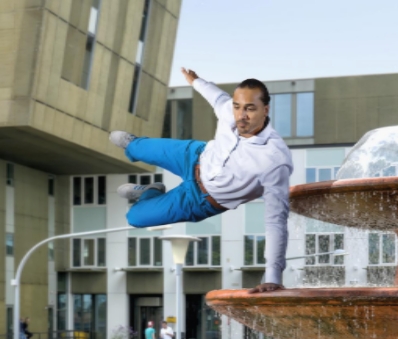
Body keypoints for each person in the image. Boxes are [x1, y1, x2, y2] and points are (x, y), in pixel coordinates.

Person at [109, 68, 293, 294]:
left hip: (200, 199)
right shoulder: (231, 111)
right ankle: (136, 147)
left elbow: (276, 221)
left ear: (265, 109)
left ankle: (148, 193)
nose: (240, 115)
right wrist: (196, 81)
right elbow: (218, 98)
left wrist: (273, 276)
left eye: (249, 109)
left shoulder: (275, 159)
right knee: (128, 143)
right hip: (192, 156)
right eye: (237, 107)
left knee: (134, 217)